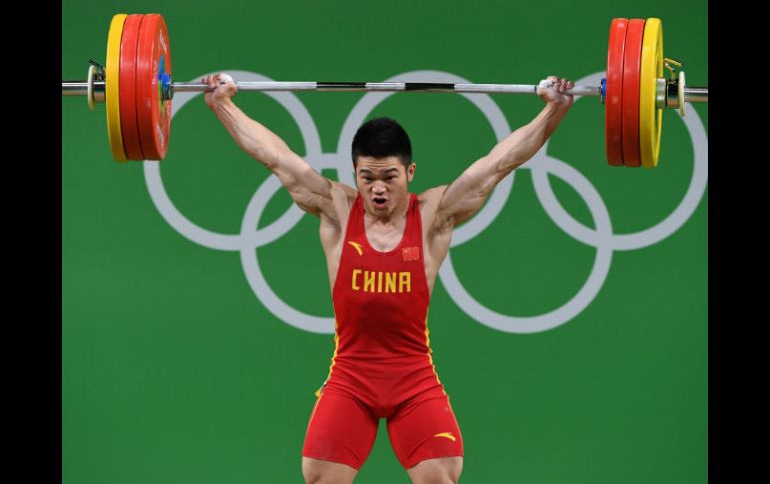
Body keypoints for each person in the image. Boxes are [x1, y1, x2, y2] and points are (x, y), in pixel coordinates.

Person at [202, 72, 575, 484]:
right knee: (319, 476)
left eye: (389, 177)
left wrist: (553, 110)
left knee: (441, 476)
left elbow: (499, 163)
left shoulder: (434, 215)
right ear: (355, 174)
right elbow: (276, 156)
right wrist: (223, 104)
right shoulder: (337, 211)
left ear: (410, 172)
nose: (378, 189)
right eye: (368, 178)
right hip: (350, 378)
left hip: (414, 380)